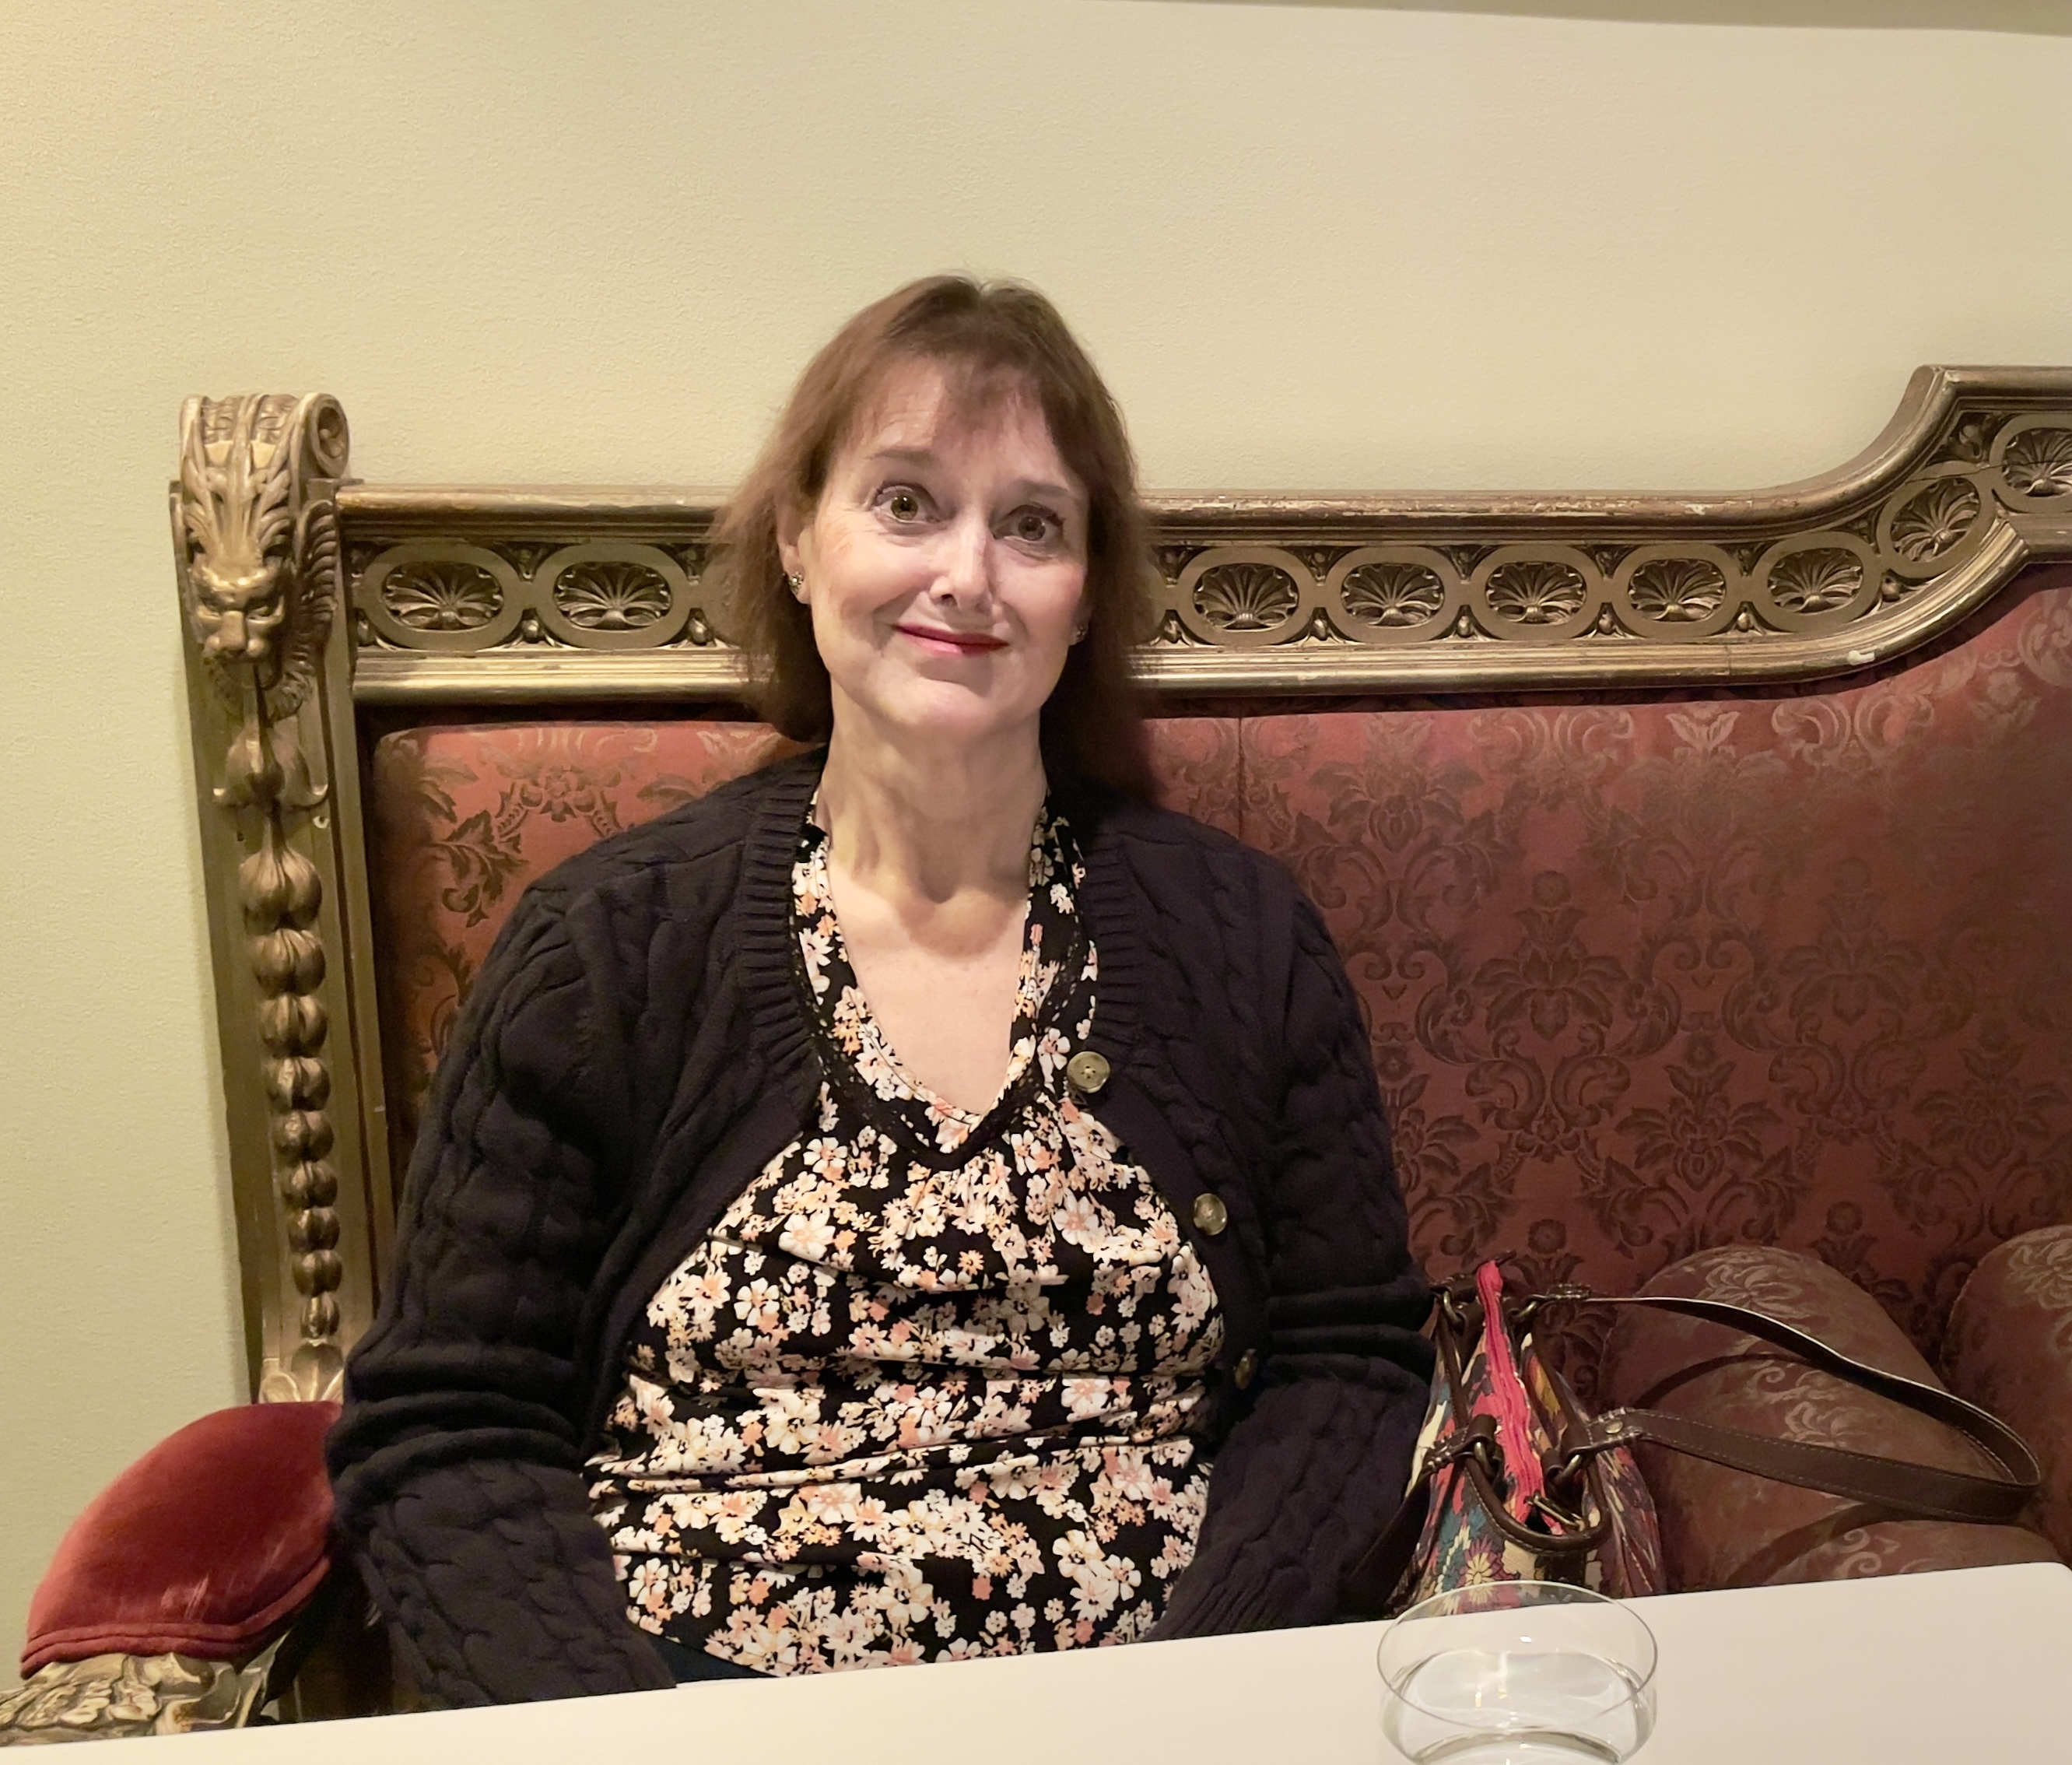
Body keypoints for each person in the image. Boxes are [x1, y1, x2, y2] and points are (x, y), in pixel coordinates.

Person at [324, 276, 1432, 1704]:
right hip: (680, 1709)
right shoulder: (605, 946)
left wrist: (1192, 1692)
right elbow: (446, 1429)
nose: (967, 573)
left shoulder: (1244, 934)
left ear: (1085, 593)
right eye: (906, 503)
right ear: (797, 540)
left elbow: (1350, 1365)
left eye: (1031, 524)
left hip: (1160, 1705)